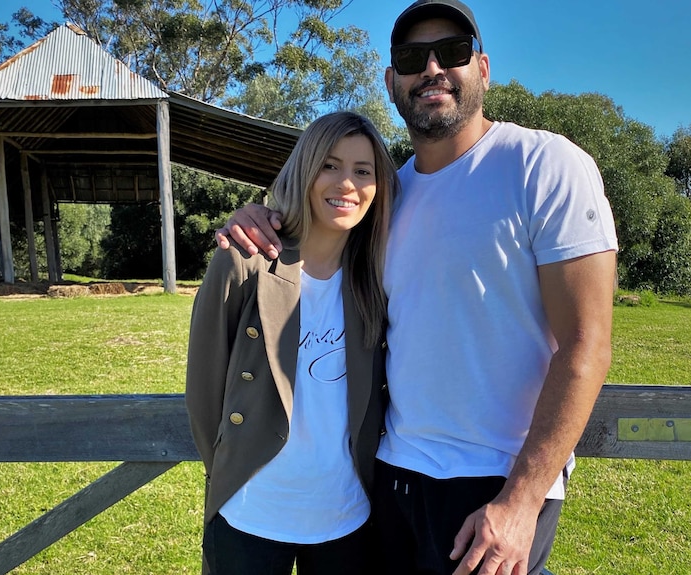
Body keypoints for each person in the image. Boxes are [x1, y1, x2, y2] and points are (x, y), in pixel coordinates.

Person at [215, 1, 619, 574]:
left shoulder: (544, 165)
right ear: (391, 81)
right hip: (389, 477)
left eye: (451, 52)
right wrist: (257, 215)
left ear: (481, 67)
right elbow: (312, 234)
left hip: (496, 485)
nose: (431, 68)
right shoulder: (385, 199)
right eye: (410, 58)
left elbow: (588, 345)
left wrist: (522, 500)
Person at [186, 111, 399, 575]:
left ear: (377, 187)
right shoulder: (246, 260)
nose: (347, 183)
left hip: (346, 519)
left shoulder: (378, 277)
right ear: (305, 169)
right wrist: (228, 468)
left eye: (363, 171)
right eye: (330, 164)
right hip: (250, 514)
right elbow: (203, 391)